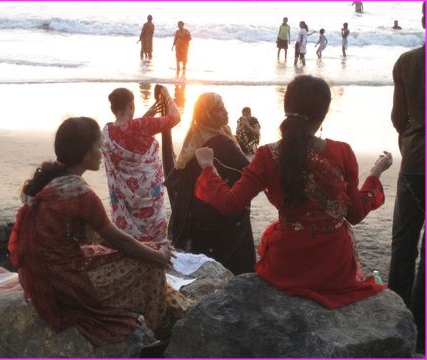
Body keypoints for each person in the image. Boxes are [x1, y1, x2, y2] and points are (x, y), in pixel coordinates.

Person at [194, 75, 393, 309]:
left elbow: (230, 203)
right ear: (323, 114)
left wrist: (208, 167)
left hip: (286, 265)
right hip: (334, 268)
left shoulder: (267, 155)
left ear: (287, 108)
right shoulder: (343, 152)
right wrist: (375, 174)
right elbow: (355, 214)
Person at [8, 117, 190, 346]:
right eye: (98, 146)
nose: (102, 151)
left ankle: (164, 309)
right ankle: (156, 330)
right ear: (86, 154)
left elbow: (106, 236)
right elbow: (116, 239)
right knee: (150, 265)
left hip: (49, 272)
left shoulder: (52, 179)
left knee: (147, 251)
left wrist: (152, 248)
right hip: (65, 283)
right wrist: (158, 256)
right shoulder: (78, 193)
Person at [164, 93, 256, 275]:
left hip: (200, 210)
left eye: (224, 107)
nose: (226, 112)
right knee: (232, 258)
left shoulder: (195, 136)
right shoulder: (222, 142)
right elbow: (250, 171)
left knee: (206, 253)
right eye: (220, 110)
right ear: (207, 115)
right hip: (221, 209)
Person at [388, 3, 425, 354]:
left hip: (415, 162)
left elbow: (398, 117)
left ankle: (396, 321)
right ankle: (422, 330)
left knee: (403, 244)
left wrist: (411, 139)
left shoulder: (407, 62)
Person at [102, 86, 181, 243]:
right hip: (147, 197)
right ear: (131, 105)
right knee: (154, 237)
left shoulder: (107, 131)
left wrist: (146, 117)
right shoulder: (141, 126)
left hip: (124, 202)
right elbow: (176, 117)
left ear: (113, 108)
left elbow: (128, 133)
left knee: (129, 240)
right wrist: (166, 95)